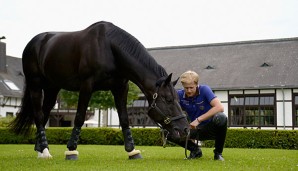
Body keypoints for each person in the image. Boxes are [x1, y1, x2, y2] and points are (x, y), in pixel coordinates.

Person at [176, 70, 227, 161]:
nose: (189, 90)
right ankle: (195, 151)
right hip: (194, 130)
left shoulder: (205, 90)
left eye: (191, 87)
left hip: (210, 128)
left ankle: (218, 154)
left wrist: (198, 120)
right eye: (186, 88)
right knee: (168, 132)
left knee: (221, 117)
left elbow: (219, 107)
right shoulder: (179, 95)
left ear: (196, 84)